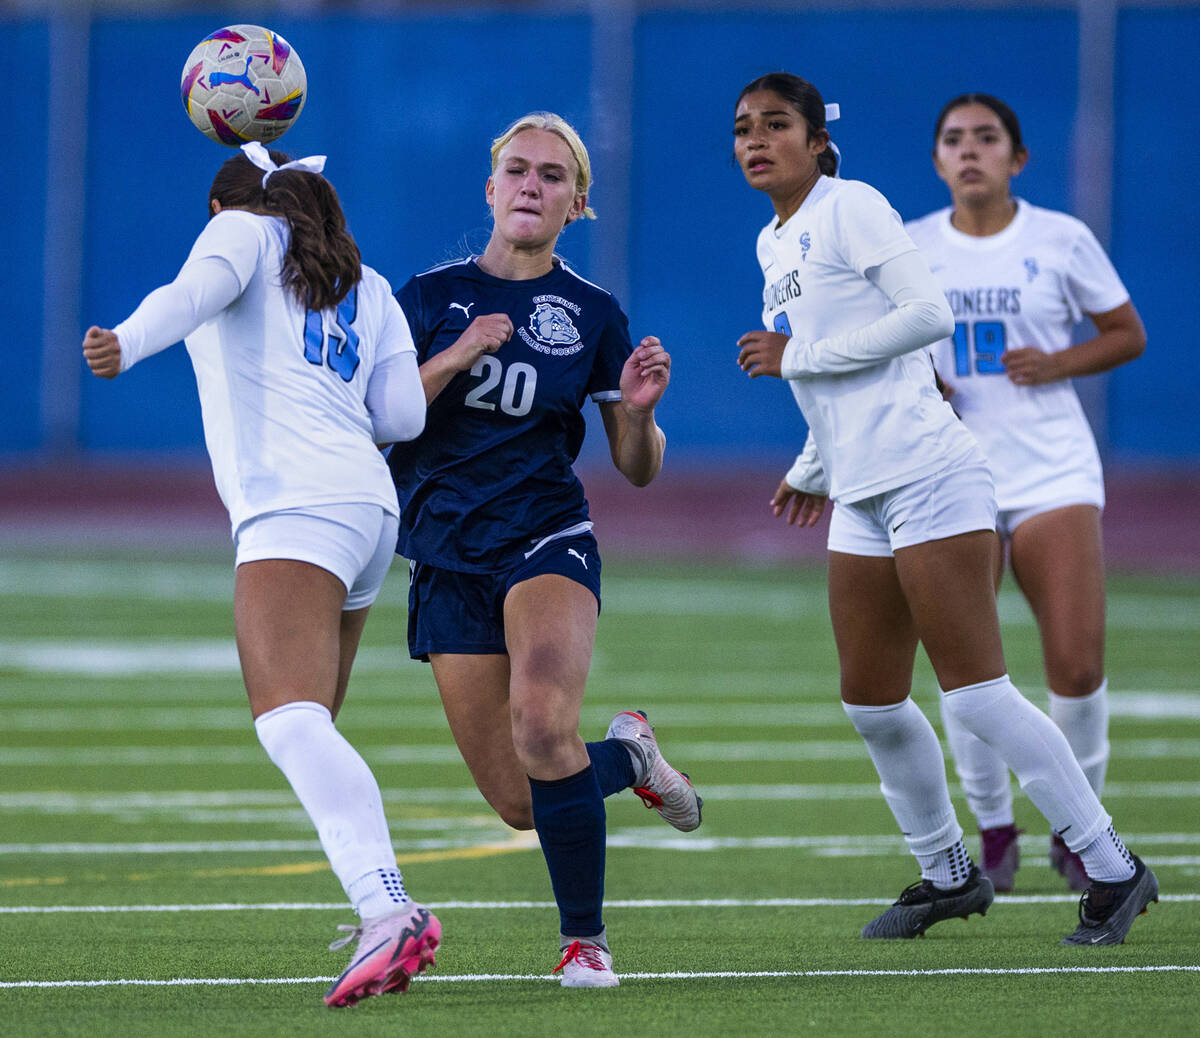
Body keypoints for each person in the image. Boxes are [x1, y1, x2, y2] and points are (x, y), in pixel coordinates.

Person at [731, 72, 1157, 944]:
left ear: (818, 141)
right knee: (874, 703)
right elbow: (839, 387)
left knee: (976, 694)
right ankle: (948, 874)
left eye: (777, 125)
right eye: (743, 128)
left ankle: (1115, 868)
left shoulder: (854, 207)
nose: (755, 140)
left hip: (930, 473)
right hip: (860, 490)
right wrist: (812, 463)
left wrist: (799, 352)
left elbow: (926, 320)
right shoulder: (774, 242)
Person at [82, 142, 440, 1007]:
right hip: (367, 509)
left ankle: (388, 910)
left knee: (288, 724)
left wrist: (124, 344)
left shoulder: (239, 232)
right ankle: (379, 912)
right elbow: (402, 414)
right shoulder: (374, 285)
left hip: (294, 506)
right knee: (310, 721)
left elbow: (186, 297)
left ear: (226, 208)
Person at [386, 112, 701, 988]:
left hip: (545, 536)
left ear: (577, 202)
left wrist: (639, 416)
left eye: (552, 176)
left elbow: (636, 469)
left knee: (541, 724)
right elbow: (380, 419)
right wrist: (454, 355)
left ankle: (585, 943)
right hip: (446, 554)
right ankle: (632, 757)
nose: (532, 185)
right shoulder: (424, 297)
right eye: (517, 171)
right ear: (490, 189)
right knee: (521, 799)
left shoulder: (593, 313)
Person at [905, 94, 1147, 894]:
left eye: (987, 138)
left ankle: (1084, 829)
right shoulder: (908, 248)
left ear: (1018, 158)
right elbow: (880, 354)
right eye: (954, 140)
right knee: (971, 675)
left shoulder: (1059, 238)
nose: (969, 151)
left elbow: (1126, 333)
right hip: (952, 473)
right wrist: (921, 385)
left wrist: (1059, 362)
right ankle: (995, 824)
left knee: (1075, 665)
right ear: (937, 160)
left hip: (1051, 470)